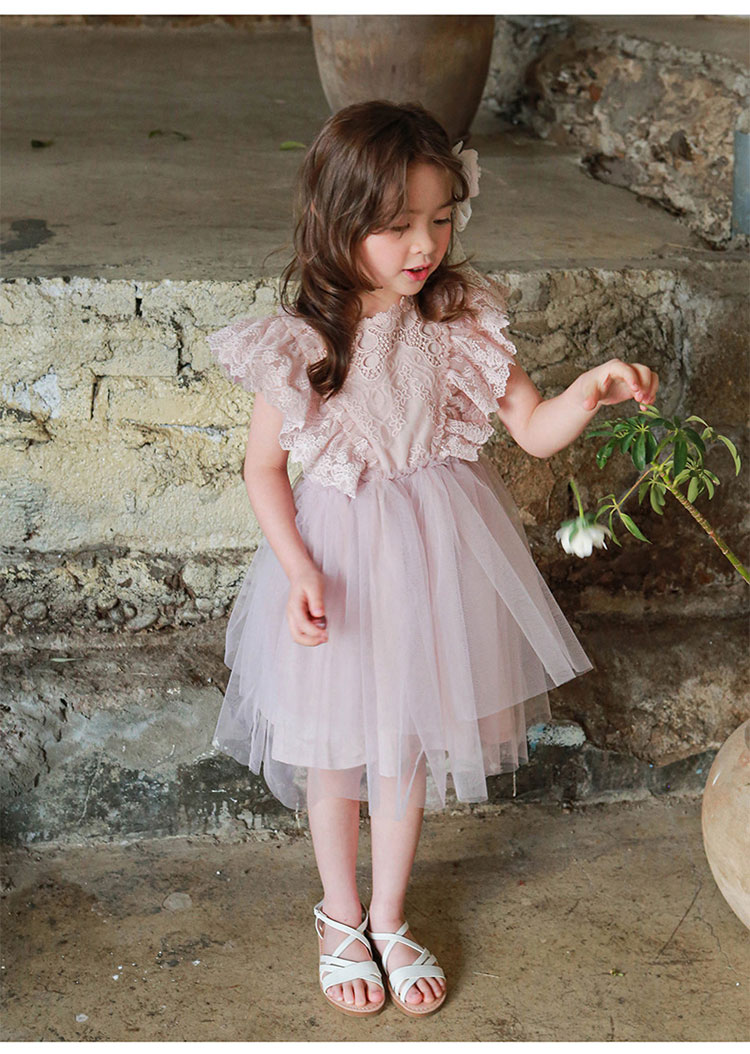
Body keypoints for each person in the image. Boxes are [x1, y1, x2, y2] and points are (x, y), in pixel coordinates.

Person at [205, 100, 659, 1019]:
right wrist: (299, 568)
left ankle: (389, 913)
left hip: (436, 557)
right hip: (339, 557)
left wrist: (590, 389)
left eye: (442, 219)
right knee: (337, 752)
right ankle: (338, 915)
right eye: (399, 224)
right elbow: (262, 469)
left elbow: (533, 430)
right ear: (339, 222)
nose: (425, 245)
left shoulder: (458, 319)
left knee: (406, 741)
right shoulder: (302, 341)